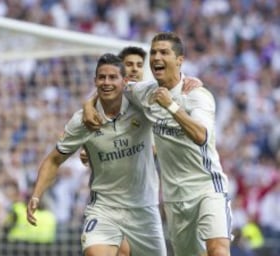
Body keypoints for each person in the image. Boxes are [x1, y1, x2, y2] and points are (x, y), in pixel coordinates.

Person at [83, 32, 232, 256]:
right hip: (175, 197)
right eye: (153, 52)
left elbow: (201, 135)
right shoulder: (146, 92)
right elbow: (113, 87)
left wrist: (171, 106)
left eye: (164, 52)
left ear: (180, 60)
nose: (156, 57)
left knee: (218, 250)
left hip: (207, 187)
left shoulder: (197, 96)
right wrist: (88, 104)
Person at [27, 53, 167, 256]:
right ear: (95, 81)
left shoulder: (140, 104)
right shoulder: (83, 120)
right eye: (102, 78)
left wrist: (189, 82)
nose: (106, 82)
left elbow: (165, 86)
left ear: (124, 81)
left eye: (112, 77)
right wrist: (36, 195)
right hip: (104, 207)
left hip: (144, 208)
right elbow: (54, 160)